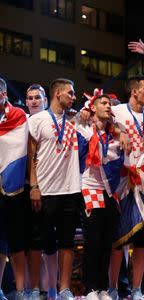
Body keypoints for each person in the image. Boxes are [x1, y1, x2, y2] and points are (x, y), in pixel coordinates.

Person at [105, 75, 144, 300]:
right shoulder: (118, 110)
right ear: (134, 92)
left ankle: (137, 289)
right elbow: (100, 120)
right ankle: (112, 287)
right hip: (122, 179)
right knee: (118, 238)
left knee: (142, 239)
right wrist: (119, 131)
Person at [28, 78, 80, 300]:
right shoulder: (37, 120)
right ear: (58, 94)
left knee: (67, 242)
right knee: (46, 243)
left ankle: (65, 288)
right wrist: (34, 186)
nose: (74, 97)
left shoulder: (76, 119)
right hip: (45, 190)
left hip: (70, 189)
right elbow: (32, 157)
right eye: (70, 93)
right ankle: (49, 288)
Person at [77, 90, 125, 300]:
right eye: (103, 103)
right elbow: (73, 121)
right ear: (93, 107)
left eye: (109, 104)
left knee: (107, 242)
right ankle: (89, 289)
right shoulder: (85, 128)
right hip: (90, 189)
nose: (108, 106)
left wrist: (120, 131)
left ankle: (103, 287)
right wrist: (82, 113)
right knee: (93, 241)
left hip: (110, 193)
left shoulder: (115, 135)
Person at [24, 84, 58, 300]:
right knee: (29, 241)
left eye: (38, 97)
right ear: (25, 102)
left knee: (50, 241)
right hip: (24, 188)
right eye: (30, 98)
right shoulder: (21, 122)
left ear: (45, 100)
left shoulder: (55, 120)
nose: (34, 101)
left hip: (52, 189)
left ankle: (52, 289)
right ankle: (31, 288)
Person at [0, 77, 29, 300]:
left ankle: (20, 290)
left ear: (3, 95)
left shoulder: (18, 115)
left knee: (17, 241)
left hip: (14, 188)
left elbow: (17, 149)